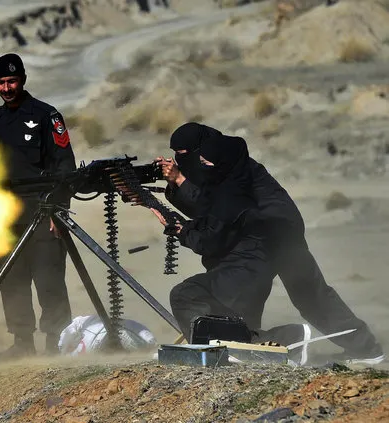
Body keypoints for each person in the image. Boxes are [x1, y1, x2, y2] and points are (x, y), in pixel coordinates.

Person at [158, 122, 385, 365]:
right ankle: (366, 349)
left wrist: (180, 184)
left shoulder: (227, 173)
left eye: (184, 155)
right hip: (281, 233)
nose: (183, 161)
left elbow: (214, 210)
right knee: (310, 297)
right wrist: (177, 183)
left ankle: (275, 344)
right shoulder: (228, 161)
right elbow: (211, 208)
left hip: (267, 239)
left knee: (297, 296)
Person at [0, 53, 77, 361]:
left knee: (49, 280)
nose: (6, 88)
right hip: (6, 219)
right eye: (1, 83)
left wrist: (58, 210)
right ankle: (22, 344)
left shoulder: (46, 116)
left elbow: (65, 167)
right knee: (11, 281)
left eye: (11, 81)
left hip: (43, 215)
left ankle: (55, 344)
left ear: (22, 79)